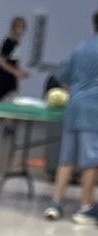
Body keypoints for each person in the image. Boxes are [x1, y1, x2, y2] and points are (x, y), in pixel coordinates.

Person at [44, 10, 98, 222]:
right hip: (93, 110)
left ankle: (55, 203)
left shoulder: (81, 47)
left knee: (67, 158)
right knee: (91, 161)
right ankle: (84, 207)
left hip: (74, 106)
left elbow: (63, 77)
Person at [0, 16, 29, 102]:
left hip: (11, 77)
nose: (21, 32)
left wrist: (19, 71)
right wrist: (15, 72)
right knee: (6, 99)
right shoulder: (9, 42)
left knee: (14, 98)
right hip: (5, 77)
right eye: (19, 28)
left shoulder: (16, 43)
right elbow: (2, 62)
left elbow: (13, 60)